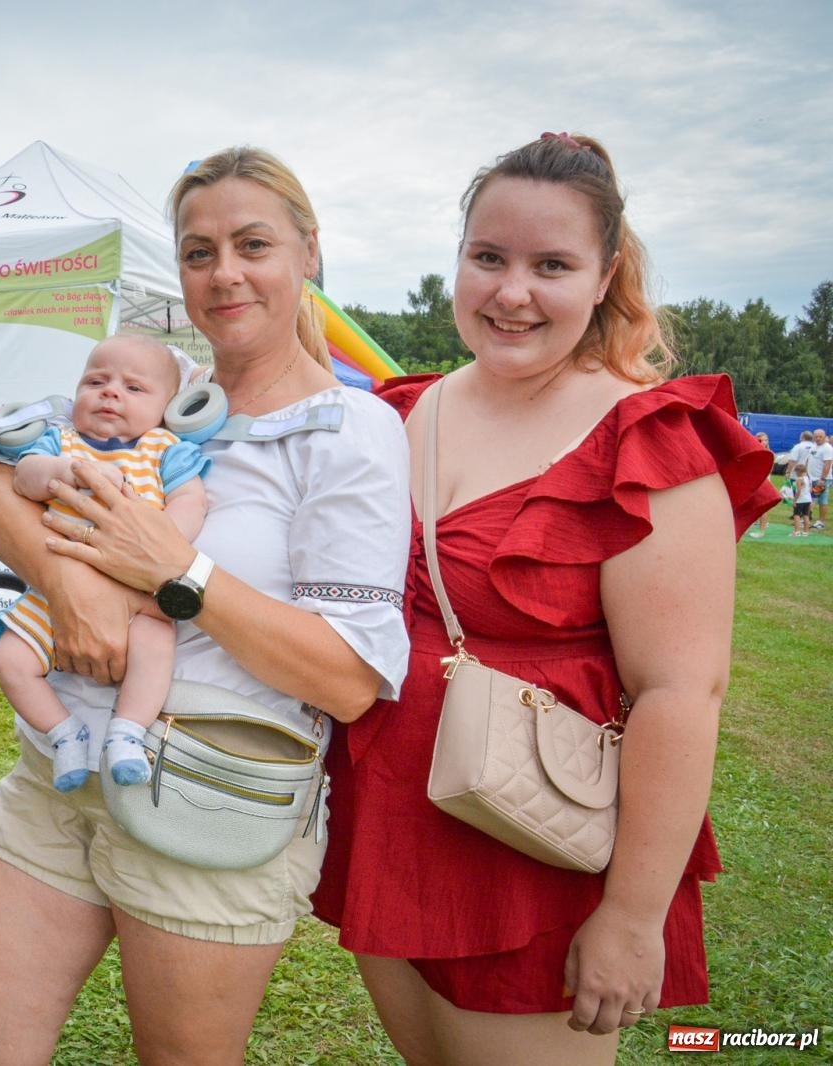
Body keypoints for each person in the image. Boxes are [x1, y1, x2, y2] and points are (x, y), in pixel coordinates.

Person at [0, 146, 412, 1066]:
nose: (224, 273)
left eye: (253, 244)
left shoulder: (352, 429)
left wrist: (177, 573)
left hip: (208, 798)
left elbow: (349, 679)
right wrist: (72, 588)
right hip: (59, 776)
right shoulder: (158, 394)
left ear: (309, 252)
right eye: (198, 251)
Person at [312, 133, 777, 1066]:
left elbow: (683, 695)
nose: (511, 292)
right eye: (488, 258)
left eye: (551, 266)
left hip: (534, 853)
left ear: (605, 276)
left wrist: (633, 917)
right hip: (389, 825)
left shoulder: (649, 440)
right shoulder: (404, 412)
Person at [0, 334, 209, 792]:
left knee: (155, 644)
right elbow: (25, 479)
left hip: (136, 591)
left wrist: (164, 541)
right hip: (54, 592)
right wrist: (63, 473)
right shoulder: (61, 441)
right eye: (96, 381)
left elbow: (191, 500)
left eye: (134, 388)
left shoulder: (163, 449)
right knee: (9, 659)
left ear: (167, 407)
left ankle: (127, 732)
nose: (110, 392)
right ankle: (64, 733)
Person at [750, 432, 772, 537]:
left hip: (763, 482)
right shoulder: (755, 451)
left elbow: (768, 470)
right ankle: (756, 526)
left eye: (765, 440)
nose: (764, 442)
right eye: (761, 440)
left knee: (762, 507)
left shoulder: (769, 453)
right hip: (755, 481)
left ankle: (762, 531)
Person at [810, 427, 833, 529]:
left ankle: (821, 522)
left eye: (820, 437)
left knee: (822, 500)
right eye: (816, 436)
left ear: (825, 437)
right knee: (810, 499)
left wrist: (822, 479)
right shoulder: (814, 446)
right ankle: (805, 519)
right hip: (812, 478)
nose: (818, 438)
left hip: (822, 479)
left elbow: (827, 464)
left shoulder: (827, 448)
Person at [790, 462, 813, 536]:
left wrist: (795, 500)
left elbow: (798, 491)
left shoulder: (799, 479)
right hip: (808, 499)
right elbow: (810, 489)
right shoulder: (808, 478)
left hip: (800, 500)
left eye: (796, 471)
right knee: (806, 515)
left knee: (796, 515)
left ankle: (797, 531)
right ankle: (806, 532)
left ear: (798, 471)